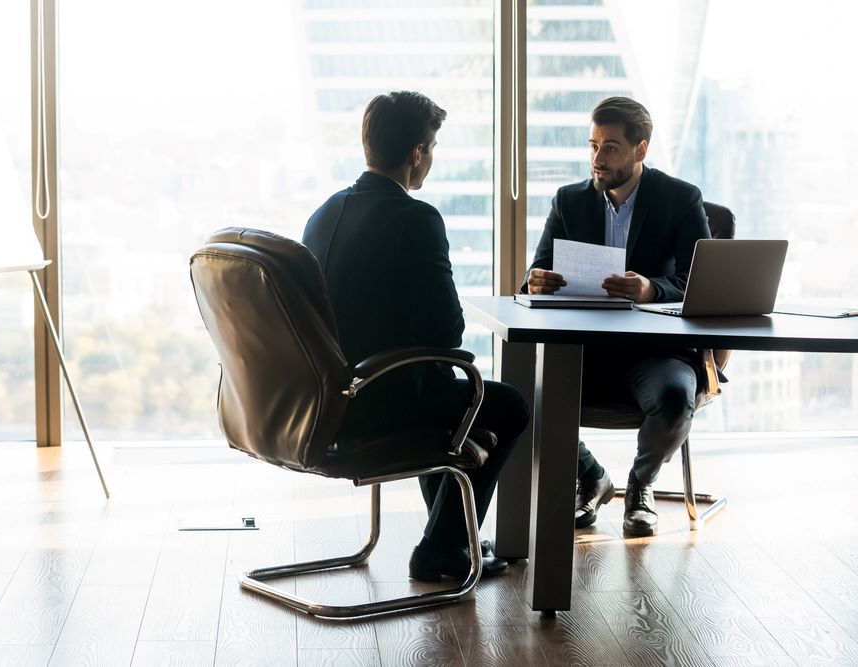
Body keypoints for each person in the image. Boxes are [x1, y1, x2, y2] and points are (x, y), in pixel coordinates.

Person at [303, 91, 530, 581]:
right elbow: (447, 334)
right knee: (508, 406)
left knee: (448, 400)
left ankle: (444, 535)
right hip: (379, 403)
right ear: (417, 154)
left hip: (324, 403)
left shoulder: (321, 214)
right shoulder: (415, 218)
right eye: (433, 148)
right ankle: (442, 549)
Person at [523, 96, 710, 537]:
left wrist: (651, 289)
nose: (597, 158)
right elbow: (530, 276)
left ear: (640, 150)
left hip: (655, 351)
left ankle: (640, 486)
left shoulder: (680, 199)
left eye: (610, 147)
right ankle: (590, 475)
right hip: (586, 348)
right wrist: (536, 280)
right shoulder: (569, 201)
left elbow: (700, 283)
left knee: (675, 400)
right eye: (592, 146)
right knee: (525, 394)